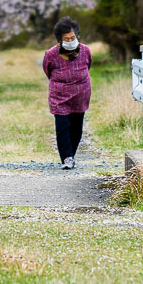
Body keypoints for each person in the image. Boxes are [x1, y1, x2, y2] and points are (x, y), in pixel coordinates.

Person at [42, 16, 92, 169]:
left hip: (80, 95)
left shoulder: (85, 51)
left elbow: (88, 65)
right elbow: (47, 70)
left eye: (73, 37)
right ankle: (67, 158)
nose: (71, 40)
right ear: (60, 40)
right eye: (67, 38)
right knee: (63, 126)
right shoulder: (51, 54)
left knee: (77, 127)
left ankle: (71, 154)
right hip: (60, 96)